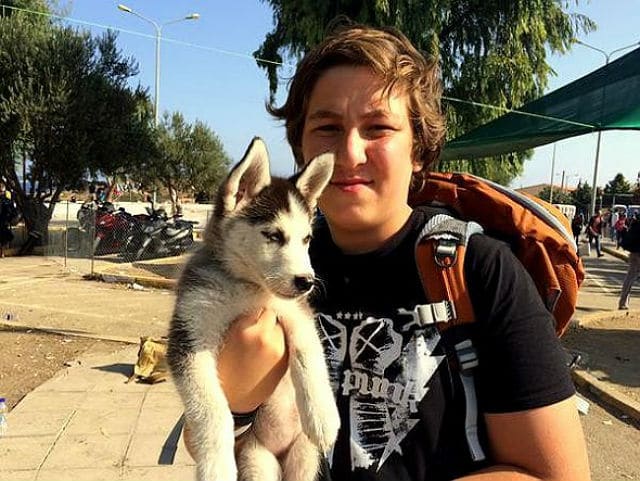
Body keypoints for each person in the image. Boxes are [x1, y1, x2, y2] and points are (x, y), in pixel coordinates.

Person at [185, 22, 590, 480]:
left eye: (378, 127)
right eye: (327, 127)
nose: (350, 152)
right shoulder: (260, 269)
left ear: (418, 148)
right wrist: (238, 405)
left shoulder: (477, 270)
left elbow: (554, 474)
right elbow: (205, 441)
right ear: (301, 147)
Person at [618, 217, 640, 310]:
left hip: (634, 253)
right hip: (637, 253)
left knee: (630, 278)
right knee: (630, 277)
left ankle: (623, 302)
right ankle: (623, 302)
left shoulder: (635, 224)